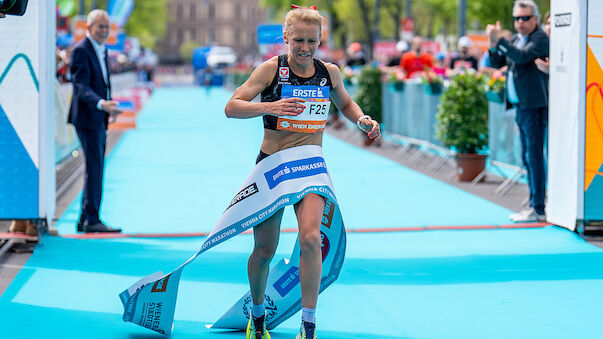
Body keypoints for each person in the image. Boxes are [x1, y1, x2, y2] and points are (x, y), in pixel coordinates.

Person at [224, 6, 380, 339]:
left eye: (312, 41)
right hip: (273, 166)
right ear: (286, 39)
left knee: (311, 240)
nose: (305, 48)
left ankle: (308, 326)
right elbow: (232, 106)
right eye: (298, 41)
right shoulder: (271, 70)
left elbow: (346, 104)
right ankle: (257, 315)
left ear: (320, 39)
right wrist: (270, 106)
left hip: (310, 165)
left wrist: (362, 119)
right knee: (265, 250)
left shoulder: (330, 72)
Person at [487, 0, 549, 222]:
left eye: (525, 18)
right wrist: (493, 43)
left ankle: (538, 207)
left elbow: (522, 58)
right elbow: (496, 61)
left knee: (534, 156)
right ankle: (535, 203)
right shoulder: (515, 39)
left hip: (534, 106)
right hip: (521, 106)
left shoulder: (540, 38)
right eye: (516, 19)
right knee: (526, 156)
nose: (520, 23)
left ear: (535, 19)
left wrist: (501, 39)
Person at [68, 9, 123, 233]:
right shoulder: (81, 50)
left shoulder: (101, 49)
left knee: (96, 166)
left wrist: (108, 106)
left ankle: (86, 217)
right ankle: (91, 219)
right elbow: (80, 86)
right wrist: (101, 103)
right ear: (89, 28)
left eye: (106, 26)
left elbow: (101, 84)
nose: (104, 30)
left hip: (98, 116)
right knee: (95, 167)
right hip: (88, 118)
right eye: (100, 26)